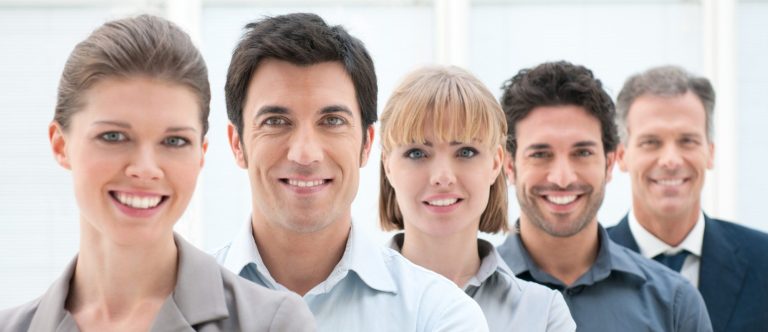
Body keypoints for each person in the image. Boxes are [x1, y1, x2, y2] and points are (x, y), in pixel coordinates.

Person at [0, 15, 314, 331]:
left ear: (200, 155)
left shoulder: (272, 323)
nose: (146, 169)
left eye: (174, 141)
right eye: (113, 136)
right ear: (60, 144)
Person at [214, 13, 487, 331]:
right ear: (237, 144)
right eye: (276, 121)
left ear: (367, 143)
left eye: (331, 121)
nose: (305, 154)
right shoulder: (175, 304)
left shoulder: (438, 313)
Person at [495, 61, 712, 331]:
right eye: (540, 154)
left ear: (610, 164)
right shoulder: (464, 297)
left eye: (582, 153)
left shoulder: (674, 303)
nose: (563, 178)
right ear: (509, 166)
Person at [378, 66, 576, 332]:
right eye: (417, 153)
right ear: (387, 165)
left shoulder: (543, 313)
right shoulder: (338, 298)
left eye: (466, 152)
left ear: (496, 163)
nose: (442, 177)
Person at [607, 65, 768, 332]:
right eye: (651, 142)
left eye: (687, 141)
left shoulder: (764, 262)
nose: (671, 160)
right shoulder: (582, 266)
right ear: (621, 156)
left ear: (711, 152)